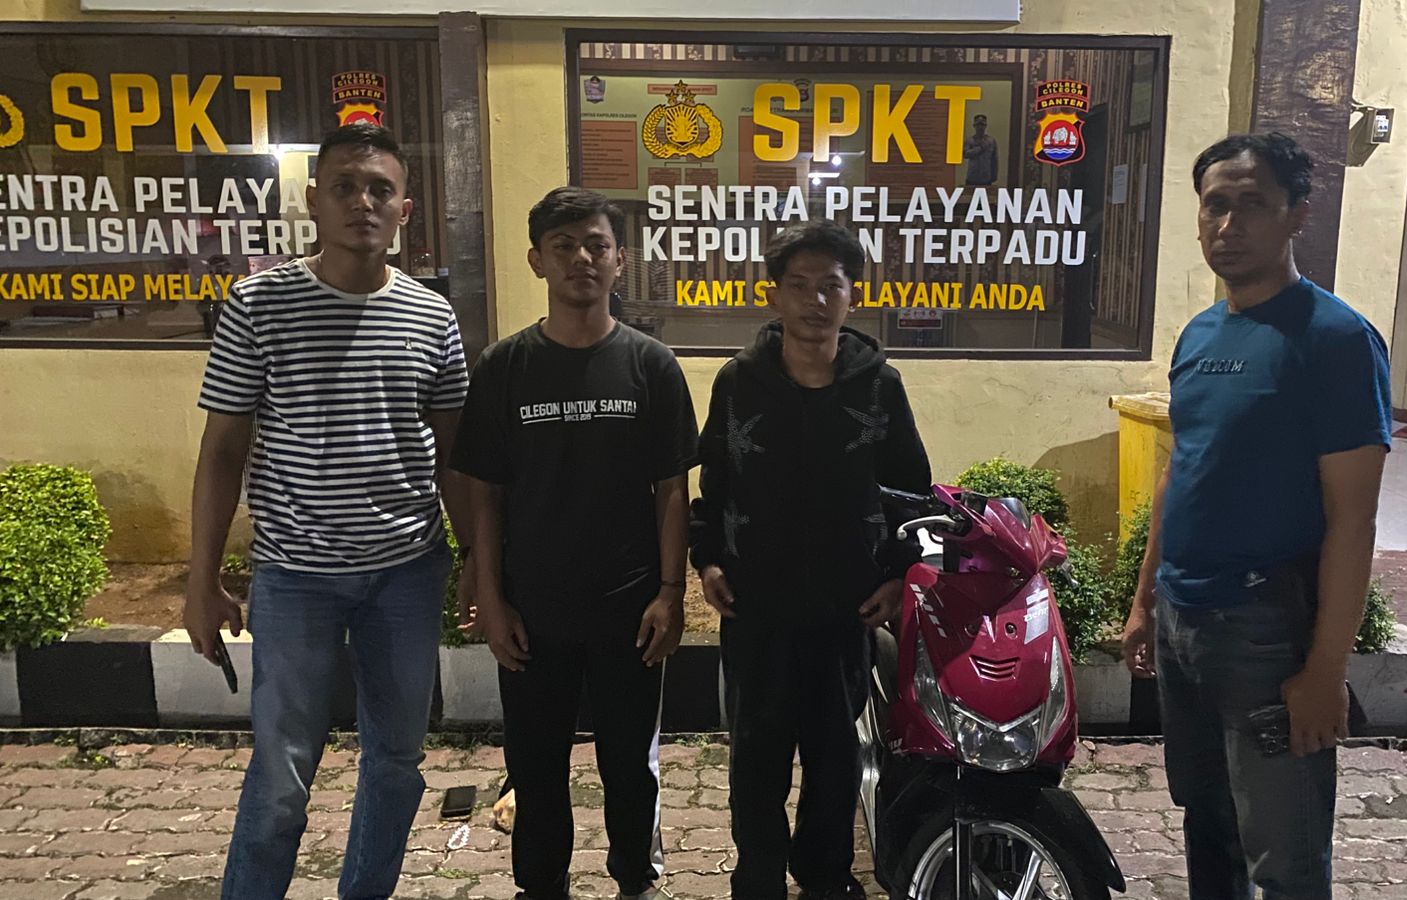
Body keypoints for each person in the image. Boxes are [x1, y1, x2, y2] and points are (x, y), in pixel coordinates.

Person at [184, 123, 470, 900]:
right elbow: (222, 449)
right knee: (282, 773)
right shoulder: (259, 304)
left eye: (380, 189)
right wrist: (202, 579)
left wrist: (478, 561)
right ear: (313, 200)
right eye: (345, 186)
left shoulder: (432, 317)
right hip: (295, 577)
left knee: (397, 762)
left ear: (405, 208)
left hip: (407, 574)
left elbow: (454, 455)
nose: (362, 202)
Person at [1119, 132, 1391, 899]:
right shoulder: (1202, 334)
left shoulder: (1335, 339)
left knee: (1285, 860)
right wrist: (1144, 601)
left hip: (1265, 630)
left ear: (1296, 214)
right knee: (1208, 827)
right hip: (1183, 622)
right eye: (1215, 205)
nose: (1228, 225)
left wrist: (1325, 670)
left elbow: (1354, 520)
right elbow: (1181, 471)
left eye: (1252, 204)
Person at [451, 186, 699, 900]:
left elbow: (672, 489)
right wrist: (491, 596)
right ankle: (541, 885)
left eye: (597, 245)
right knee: (535, 767)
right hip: (533, 610)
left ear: (620, 259)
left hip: (630, 609)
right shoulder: (504, 367)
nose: (582, 258)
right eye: (564, 246)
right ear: (537, 260)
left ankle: (635, 881)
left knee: (630, 766)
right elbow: (486, 494)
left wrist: (670, 593)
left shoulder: (651, 365)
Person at [690, 220, 932, 900]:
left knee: (835, 757)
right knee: (756, 758)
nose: (815, 301)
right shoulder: (739, 383)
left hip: (844, 607)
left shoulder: (879, 387)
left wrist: (897, 574)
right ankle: (758, 877)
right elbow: (714, 485)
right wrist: (707, 562)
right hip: (755, 606)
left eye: (831, 286)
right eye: (799, 285)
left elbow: (911, 490)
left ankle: (825, 875)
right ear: (774, 294)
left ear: (853, 295)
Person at [963, 114, 998, 186]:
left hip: (986, 178)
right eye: (978, 125)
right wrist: (980, 148)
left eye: (982, 125)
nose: (980, 127)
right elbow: (965, 154)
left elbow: (994, 159)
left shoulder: (991, 141)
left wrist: (994, 175)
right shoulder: (970, 140)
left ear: (985, 126)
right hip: (972, 178)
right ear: (974, 126)